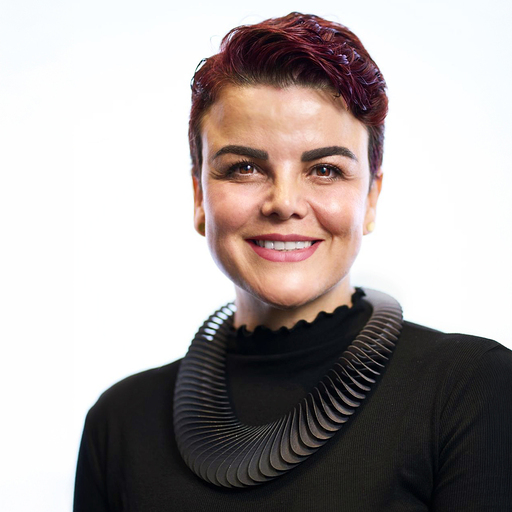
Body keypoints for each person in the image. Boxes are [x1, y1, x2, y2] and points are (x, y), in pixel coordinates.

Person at [74, 12, 512, 511]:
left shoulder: (469, 390)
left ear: (370, 199)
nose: (284, 203)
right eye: (244, 167)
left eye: (325, 170)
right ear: (199, 197)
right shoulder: (120, 423)